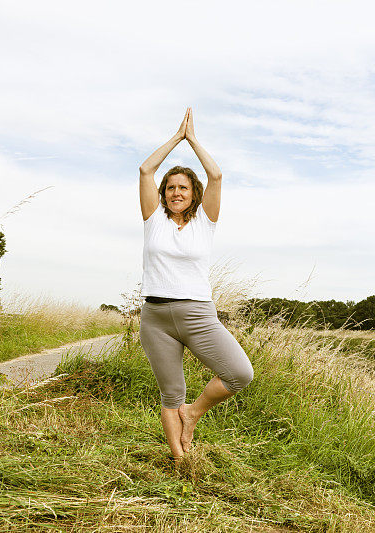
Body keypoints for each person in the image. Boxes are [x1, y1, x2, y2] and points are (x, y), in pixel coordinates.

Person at [138, 107, 254, 461]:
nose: (175, 192)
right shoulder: (153, 219)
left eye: (183, 188)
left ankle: (194, 413)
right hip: (155, 318)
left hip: (198, 315)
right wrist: (174, 138)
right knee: (171, 393)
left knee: (239, 374)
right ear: (163, 193)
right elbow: (145, 169)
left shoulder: (206, 221)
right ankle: (181, 459)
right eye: (170, 187)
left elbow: (216, 175)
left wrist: (192, 140)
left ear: (194, 193)